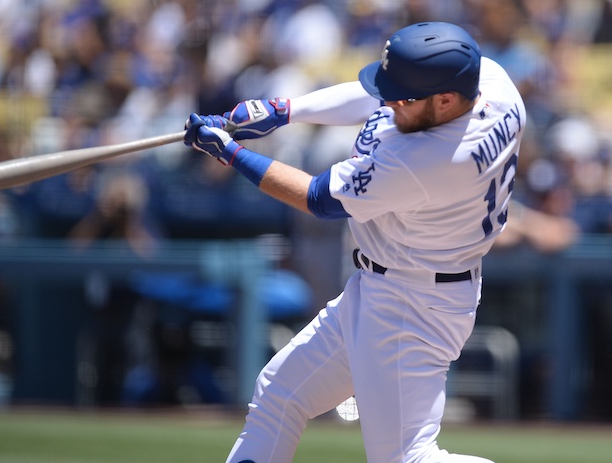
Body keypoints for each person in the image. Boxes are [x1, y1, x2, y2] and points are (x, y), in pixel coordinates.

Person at [183, 21, 526, 463]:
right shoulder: (491, 82)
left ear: (445, 100)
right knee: (279, 394)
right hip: (392, 284)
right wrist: (284, 109)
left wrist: (229, 152)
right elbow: (376, 96)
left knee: (407, 458)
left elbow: (316, 198)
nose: (390, 103)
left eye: (404, 98)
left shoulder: (426, 159)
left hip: (410, 305)